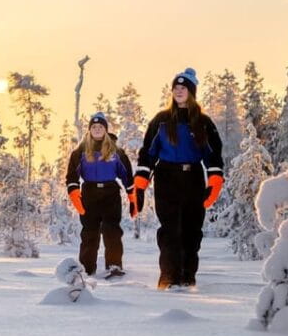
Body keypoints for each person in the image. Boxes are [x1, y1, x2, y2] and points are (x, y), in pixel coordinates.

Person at [134, 68, 224, 290]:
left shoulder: (203, 122)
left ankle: (187, 276)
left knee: (192, 229)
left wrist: (214, 179)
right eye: (176, 88)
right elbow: (148, 152)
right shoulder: (162, 120)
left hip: (193, 177)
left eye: (183, 88)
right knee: (170, 228)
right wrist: (141, 182)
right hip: (166, 177)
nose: (179, 91)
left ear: (191, 92)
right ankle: (168, 276)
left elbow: (213, 153)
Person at [65, 112, 137, 279]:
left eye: (100, 127)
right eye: (94, 127)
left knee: (112, 231)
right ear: (90, 130)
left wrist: (132, 195)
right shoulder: (80, 152)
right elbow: (71, 176)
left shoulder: (116, 151)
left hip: (110, 192)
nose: (97, 129)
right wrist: (75, 193)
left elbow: (126, 174)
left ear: (105, 130)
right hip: (89, 193)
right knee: (90, 232)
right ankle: (87, 269)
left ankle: (114, 266)